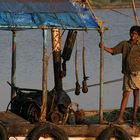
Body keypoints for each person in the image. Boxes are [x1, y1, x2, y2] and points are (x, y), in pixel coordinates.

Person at [99, 25, 140, 124]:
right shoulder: (124, 44)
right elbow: (113, 50)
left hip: (137, 73)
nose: (133, 35)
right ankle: (120, 117)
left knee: (136, 94)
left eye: (135, 34)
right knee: (125, 94)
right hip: (127, 73)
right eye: (132, 33)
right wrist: (104, 47)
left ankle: (134, 117)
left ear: (138, 36)